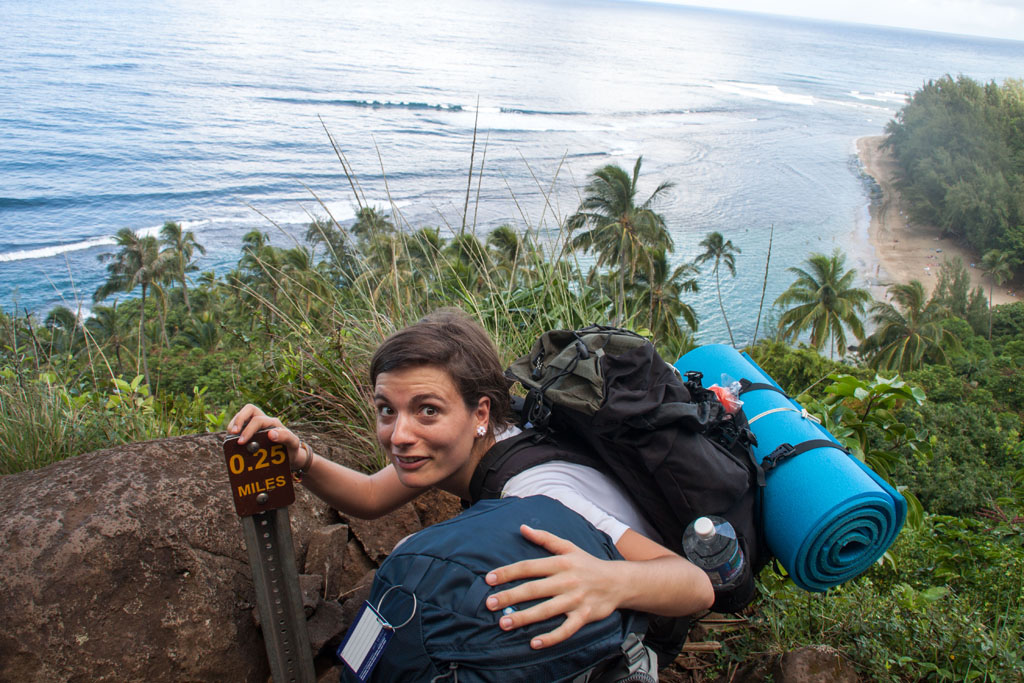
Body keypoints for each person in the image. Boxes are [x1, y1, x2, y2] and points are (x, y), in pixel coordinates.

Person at [228, 309, 713, 651]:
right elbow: (372, 496)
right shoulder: (479, 439)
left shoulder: (536, 492)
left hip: (641, 617)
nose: (400, 435)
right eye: (386, 410)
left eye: (427, 410)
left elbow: (693, 584)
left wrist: (607, 582)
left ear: (479, 411)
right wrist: (302, 458)